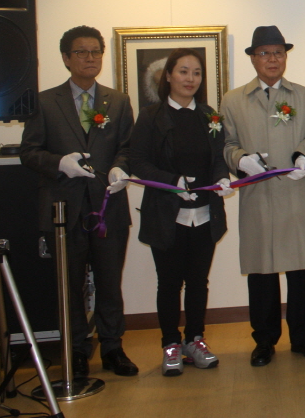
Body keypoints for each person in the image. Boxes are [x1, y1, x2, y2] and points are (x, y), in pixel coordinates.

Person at [21, 25, 138, 377]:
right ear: (66, 58)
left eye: (96, 52)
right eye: (81, 52)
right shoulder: (44, 102)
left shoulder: (118, 101)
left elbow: (128, 147)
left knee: (109, 282)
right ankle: (75, 350)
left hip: (107, 207)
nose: (90, 58)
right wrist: (60, 163)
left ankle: (113, 348)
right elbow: (29, 152)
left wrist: (120, 169)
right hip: (63, 209)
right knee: (69, 285)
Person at [221, 26, 305, 366]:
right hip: (257, 196)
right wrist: (240, 160)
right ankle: (264, 340)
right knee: (261, 271)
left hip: (294, 193)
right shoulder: (233, 100)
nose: (272, 59)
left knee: (299, 269)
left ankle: (303, 337)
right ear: (253, 58)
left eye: (278, 52)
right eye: (264, 53)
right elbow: (227, 143)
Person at [126, 48, 232, 374]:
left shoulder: (209, 115)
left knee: (199, 282)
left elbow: (218, 157)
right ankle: (170, 343)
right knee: (169, 283)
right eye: (183, 71)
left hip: (204, 214)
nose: (190, 79)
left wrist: (222, 178)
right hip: (167, 216)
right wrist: (172, 182)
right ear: (169, 75)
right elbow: (138, 161)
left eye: (196, 73)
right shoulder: (150, 116)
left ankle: (195, 340)